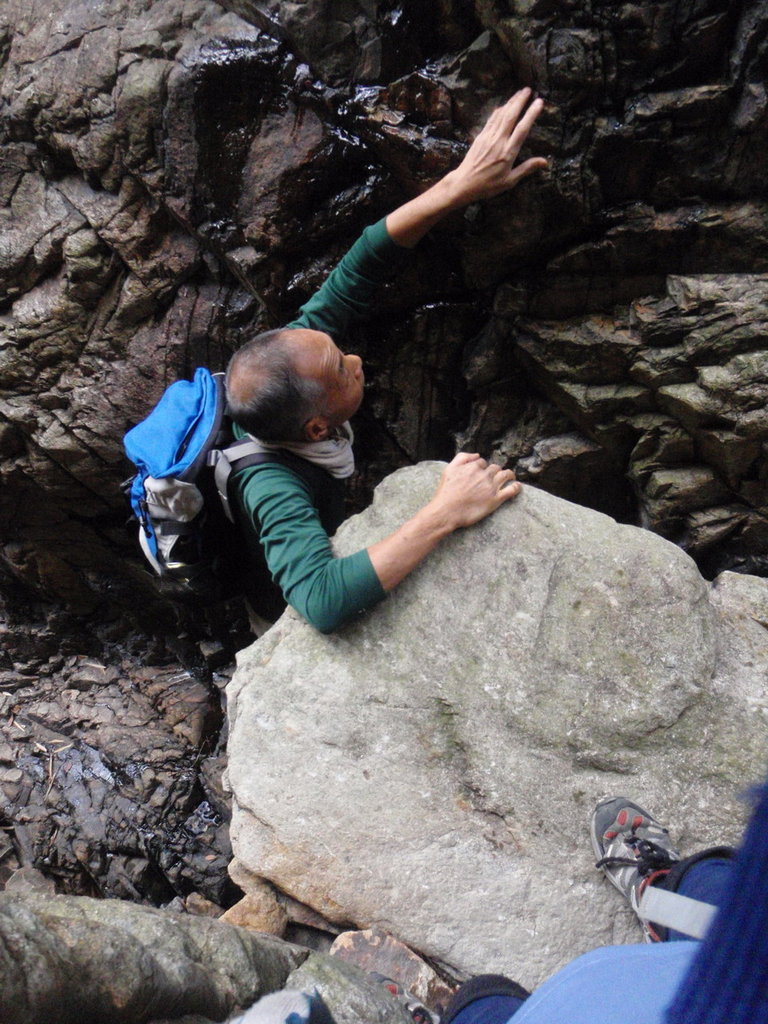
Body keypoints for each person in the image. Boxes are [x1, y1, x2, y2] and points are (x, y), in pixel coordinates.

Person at [224, 90, 548, 633]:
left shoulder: (290, 367)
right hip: (272, 593)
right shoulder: (272, 487)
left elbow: (361, 266)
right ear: (316, 428)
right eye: (342, 370)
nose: (353, 358)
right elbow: (321, 601)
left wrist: (457, 187)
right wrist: (445, 512)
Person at [235, 782, 768, 1024]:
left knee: (480, 1002)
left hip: (707, 978)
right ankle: (660, 896)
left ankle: (442, 1015)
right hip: (732, 958)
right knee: (708, 879)